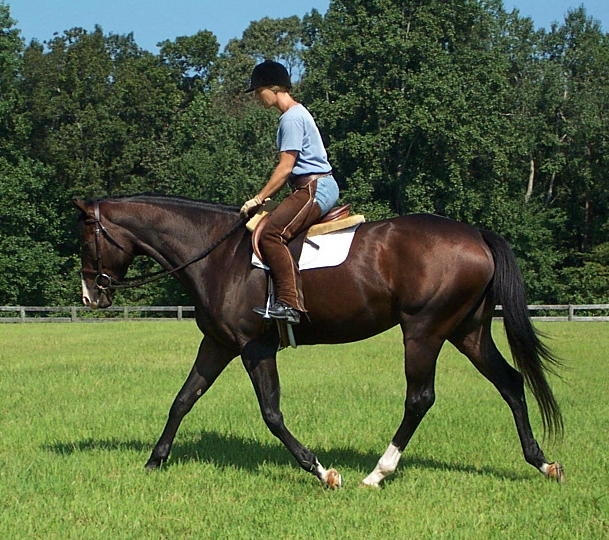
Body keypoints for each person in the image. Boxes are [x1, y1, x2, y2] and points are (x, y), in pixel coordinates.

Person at [240, 60, 339, 324]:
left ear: (273, 88)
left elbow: (285, 168)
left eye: (258, 91)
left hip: (314, 187)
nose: (257, 97)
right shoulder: (296, 114)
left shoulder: (291, 118)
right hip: (308, 186)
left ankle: (289, 303)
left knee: (271, 234)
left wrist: (258, 198)